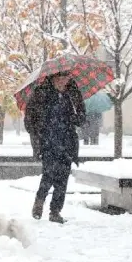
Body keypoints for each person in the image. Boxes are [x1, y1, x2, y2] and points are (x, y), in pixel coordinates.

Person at [24, 71, 86, 224]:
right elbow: (29, 119)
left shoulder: (72, 93)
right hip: (48, 141)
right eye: (61, 79)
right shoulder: (41, 93)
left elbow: (82, 116)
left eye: (66, 79)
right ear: (53, 78)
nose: (64, 82)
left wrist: (76, 117)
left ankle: (55, 211)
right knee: (49, 174)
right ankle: (39, 201)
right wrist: (40, 129)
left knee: (63, 178)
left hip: (67, 141)